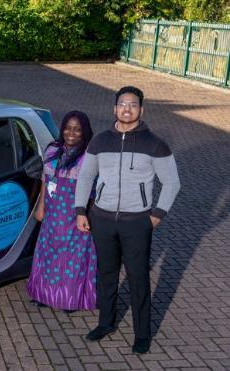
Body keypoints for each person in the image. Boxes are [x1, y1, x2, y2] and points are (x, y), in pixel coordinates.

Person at [75, 86, 180, 354]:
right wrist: (80, 211)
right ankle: (106, 323)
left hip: (137, 222)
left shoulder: (155, 144)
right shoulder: (99, 141)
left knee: (138, 278)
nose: (127, 108)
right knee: (106, 275)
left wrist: (157, 214)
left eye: (133, 104)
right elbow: (86, 176)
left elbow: (172, 183)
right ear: (114, 108)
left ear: (141, 110)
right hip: (102, 219)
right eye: (122, 103)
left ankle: (142, 334)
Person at [27, 111, 96, 313]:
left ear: (84, 132)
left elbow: (93, 190)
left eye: (77, 129)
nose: (71, 133)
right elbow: (44, 180)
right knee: (47, 254)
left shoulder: (89, 157)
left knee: (71, 259)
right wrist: (40, 206)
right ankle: (43, 294)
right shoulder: (52, 150)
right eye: (67, 127)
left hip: (75, 213)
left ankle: (68, 299)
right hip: (52, 212)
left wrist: (86, 215)